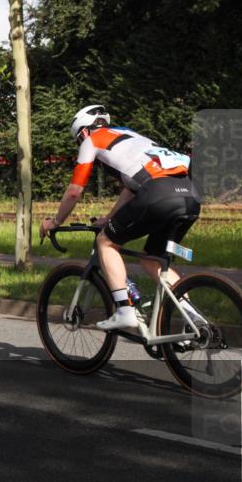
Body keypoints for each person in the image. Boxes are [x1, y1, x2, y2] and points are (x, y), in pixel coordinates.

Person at [40, 105, 201, 330]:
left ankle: (125, 311)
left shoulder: (91, 140)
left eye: (78, 139)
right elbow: (131, 189)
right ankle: (196, 322)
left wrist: (55, 221)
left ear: (83, 132)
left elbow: (75, 190)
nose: (80, 143)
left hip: (158, 193)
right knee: (152, 259)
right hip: (190, 195)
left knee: (105, 242)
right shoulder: (132, 137)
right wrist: (109, 218)